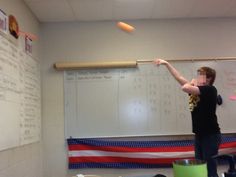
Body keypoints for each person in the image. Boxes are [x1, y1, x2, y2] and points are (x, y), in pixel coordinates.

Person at [154, 59, 221, 177]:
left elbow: (185, 88)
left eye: (201, 75)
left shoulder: (210, 90)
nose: (197, 77)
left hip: (210, 135)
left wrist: (191, 82)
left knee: (209, 167)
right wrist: (166, 64)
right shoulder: (196, 90)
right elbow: (179, 77)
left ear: (209, 79)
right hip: (199, 134)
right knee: (199, 166)